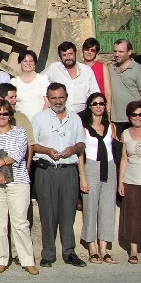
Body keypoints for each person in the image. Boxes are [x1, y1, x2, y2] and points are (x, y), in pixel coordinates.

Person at [0, 100, 38, 275]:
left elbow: (18, 154)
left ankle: (27, 260)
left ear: (10, 115)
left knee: (20, 222)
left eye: (5, 113)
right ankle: (1, 259)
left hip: (18, 181)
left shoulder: (20, 132)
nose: (1, 117)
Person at [31, 82, 86, 268]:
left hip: (68, 171)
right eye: (53, 98)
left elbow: (81, 144)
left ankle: (69, 252)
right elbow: (32, 145)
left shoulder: (75, 119)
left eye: (61, 97)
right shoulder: (39, 118)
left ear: (66, 97)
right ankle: (48, 254)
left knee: (68, 213)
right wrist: (46, 150)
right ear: (48, 99)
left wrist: (73, 149)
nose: (57, 101)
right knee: (47, 213)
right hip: (46, 170)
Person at [78, 93, 118, 264]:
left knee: (107, 209)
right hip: (91, 167)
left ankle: (104, 249)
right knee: (90, 207)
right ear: (90, 106)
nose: (98, 106)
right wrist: (82, 177)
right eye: (95, 104)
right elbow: (80, 154)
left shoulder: (111, 126)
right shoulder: (84, 128)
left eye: (101, 103)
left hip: (109, 166)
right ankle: (92, 248)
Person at [43, 41, 98, 114]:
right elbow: (39, 80)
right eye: (64, 55)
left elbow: (95, 93)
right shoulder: (53, 68)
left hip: (82, 113)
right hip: (60, 113)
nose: (68, 58)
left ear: (75, 54)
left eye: (70, 54)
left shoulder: (86, 70)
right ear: (60, 57)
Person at [118, 100, 141, 265]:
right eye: (134, 114)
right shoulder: (125, 134)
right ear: (129, 117)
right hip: (131, 179)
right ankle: (133, 250)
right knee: (132, 215)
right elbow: (124, 159)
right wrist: (121, 182)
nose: (138, 117)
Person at [109, 39, 141, 131]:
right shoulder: (111, 68)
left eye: (121, 51)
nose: (117, 54)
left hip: (134, 119)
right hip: (115, 119)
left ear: (129, 52)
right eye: (115, 51)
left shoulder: (138, 69)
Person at [11, 50, 49, 122]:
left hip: (41, 121)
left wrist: (40, 119)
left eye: (31, 61)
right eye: (25, 61)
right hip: (22, 122)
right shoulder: (14, 82)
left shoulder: (42, 79)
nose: (28, 63)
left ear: (35, 63)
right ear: (20, 63)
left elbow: (48, 102)